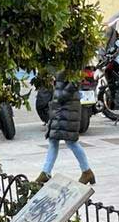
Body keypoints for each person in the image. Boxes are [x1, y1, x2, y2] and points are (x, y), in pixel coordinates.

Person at [34, 43, 96, 184]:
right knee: (53, 140)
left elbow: (74, 83)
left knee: (71, 141)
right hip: (61, 106)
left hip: (67, 106)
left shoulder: (73, 62)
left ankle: (87, 171)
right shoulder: (63, 60)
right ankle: (46, 172)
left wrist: (60, 95)